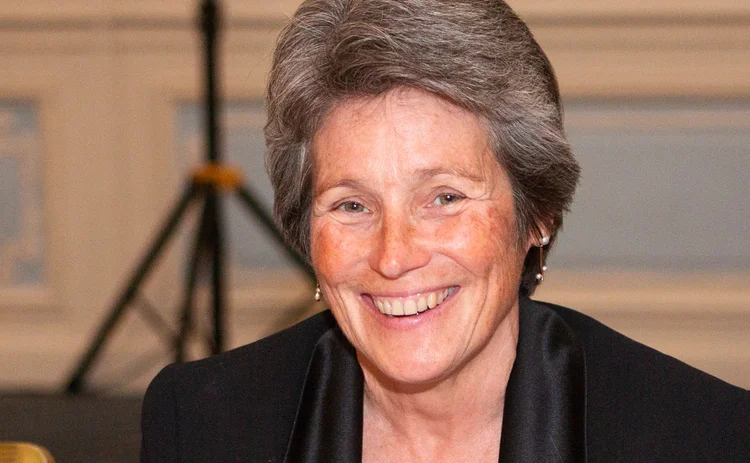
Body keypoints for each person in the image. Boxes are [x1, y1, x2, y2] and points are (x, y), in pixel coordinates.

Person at [140, 1, 750, 461]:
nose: (393, 256)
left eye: (445, 198)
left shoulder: (700, 436)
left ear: (537, 213)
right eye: (351, 205)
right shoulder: (200, 425)